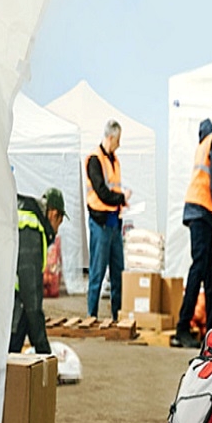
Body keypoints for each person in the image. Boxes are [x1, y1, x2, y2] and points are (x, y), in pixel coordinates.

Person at [173, 101, 212, 349]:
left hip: (199, 211)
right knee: (199, 268)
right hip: (202, 210)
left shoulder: (205, 140)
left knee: (208, 273)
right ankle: (182, 328)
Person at [9, 188, 67, 354]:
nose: (56, 231)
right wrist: (44, 352)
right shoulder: (32, 228)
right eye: (59, 223)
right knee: (26, 313)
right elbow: (31, 294)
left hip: (6, 299)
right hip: (7, 304)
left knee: (24, 319)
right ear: (53, 214)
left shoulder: (23, 214)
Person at [85, 119, 131, 323]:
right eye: (118, 140)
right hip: (100, 223)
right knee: (97, 271)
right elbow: (102, 192)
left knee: (118, 273)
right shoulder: (94, 160)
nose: (119, 144)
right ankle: (91, 316)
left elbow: (113, 189)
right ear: (110, 137)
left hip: (114, 223)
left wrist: (121, 202)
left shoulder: (114, 160)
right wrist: (121, 198)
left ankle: (117, 315)